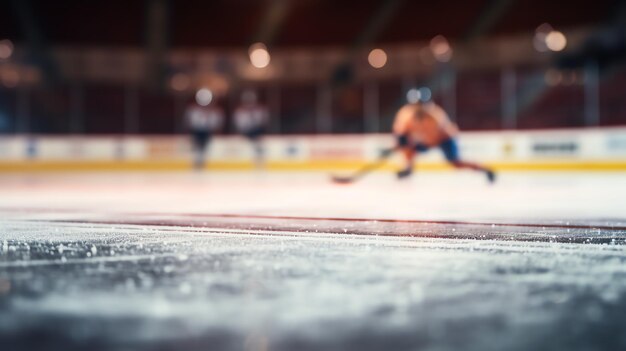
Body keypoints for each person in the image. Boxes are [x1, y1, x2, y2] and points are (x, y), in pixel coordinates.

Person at [393, 92, 496, 182]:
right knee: (407, 147)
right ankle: (408, 168)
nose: (419, 107)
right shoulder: (405, 114)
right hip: (427, 140)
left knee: (456, 163)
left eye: (421, 104)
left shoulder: (434, 115)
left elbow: (433, 137)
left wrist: (410, 142)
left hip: (445, 139)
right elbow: (401, 132)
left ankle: (485, 169)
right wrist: (402, 142)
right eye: (416, 105)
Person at [185, 89, 224, 170]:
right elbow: (190, 122)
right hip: (196, 131)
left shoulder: (215, 111)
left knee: (205, 146)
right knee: (197, 145)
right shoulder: (193, 110)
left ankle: (202, 160)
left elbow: (217, 124)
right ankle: (197, 161)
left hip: (208, 131)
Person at [233, 89, 269, 168]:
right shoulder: (240, 111)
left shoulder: (259, 110)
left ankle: (259, 158)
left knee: (258, 140)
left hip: (257, 130)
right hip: (246, 131)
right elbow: (239, 124)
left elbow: (263, 122)